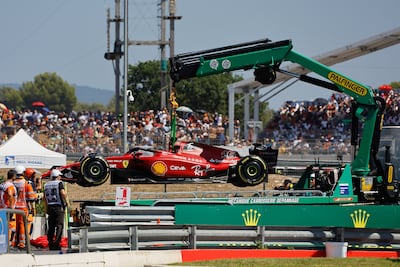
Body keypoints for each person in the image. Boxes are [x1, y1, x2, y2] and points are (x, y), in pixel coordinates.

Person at [12, 165, 36, 249]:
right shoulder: (26, 183)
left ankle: (14, 243)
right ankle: (22, 243)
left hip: (13, 208)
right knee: (22, 225)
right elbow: (32, 198)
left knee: (15, 225)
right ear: (23, 172)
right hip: (23, 207)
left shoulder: (12, 183)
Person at [44, 169, 68, 250]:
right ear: (57, 176)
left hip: (50, 206)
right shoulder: (59, 183)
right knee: (59, 225)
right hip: (58, 206)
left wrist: (46, 208)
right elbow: (63, 193)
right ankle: (56, 243)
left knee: (51, 226)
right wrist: (66, 202)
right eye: (59, 176)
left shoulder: (46, 184)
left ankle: (50, 243)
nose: (60, 177)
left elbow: (44, 198)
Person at [0, 169, 17, 246]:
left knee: (3, 226)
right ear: (13, 176)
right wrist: (11, 206)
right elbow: (10, 194)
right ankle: (7, 244)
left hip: (2, 207)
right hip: (7, 208)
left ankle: (3, 243)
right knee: (10, 226)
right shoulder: (10, 185)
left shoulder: (2, 184)